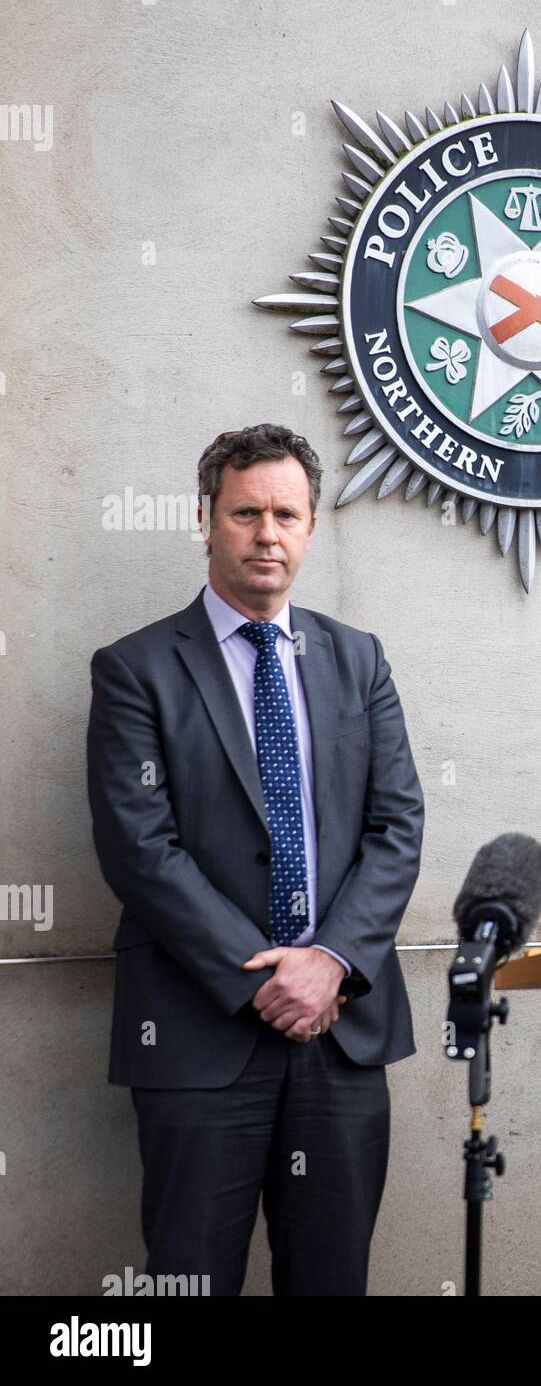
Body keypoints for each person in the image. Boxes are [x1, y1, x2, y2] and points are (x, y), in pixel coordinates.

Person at [86, 423, 424, 1296]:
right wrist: (266, 979)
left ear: (310, 527)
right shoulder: (136, 669)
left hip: (339, 1030)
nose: (266, 533)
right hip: (200, 1030)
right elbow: (138, 849)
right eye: (245, 513)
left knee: (330, 1280)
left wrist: (329, 964)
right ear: (206, 521)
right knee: (189, 1281)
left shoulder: (358, 659)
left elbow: (397, 826)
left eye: (286, 514)